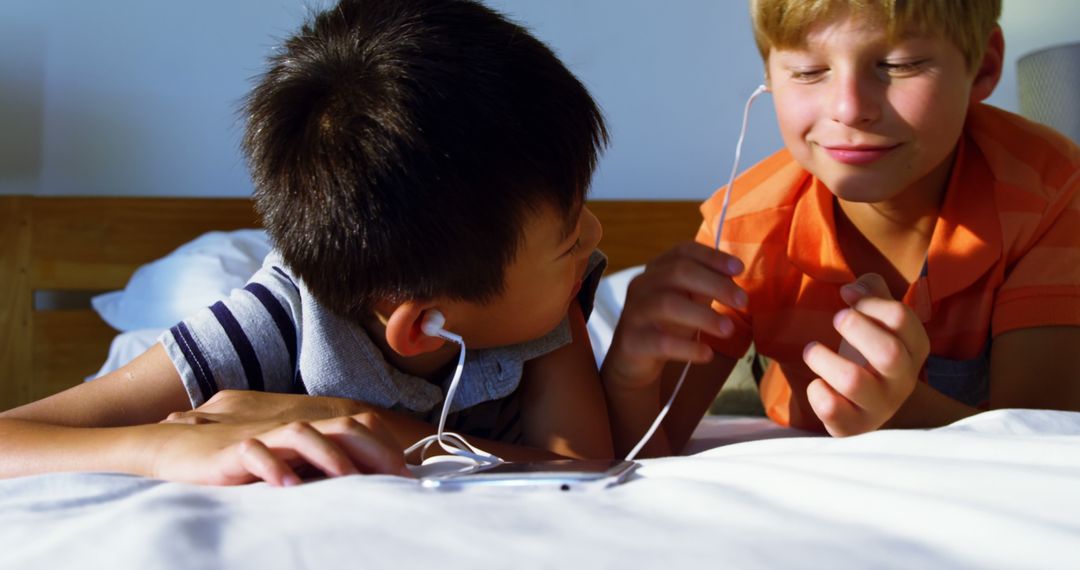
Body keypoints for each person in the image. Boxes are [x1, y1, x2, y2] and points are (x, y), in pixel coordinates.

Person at [0, 0, 613, 485]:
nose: (594, 235)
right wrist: (160, 445)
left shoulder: (546, 305)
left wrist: (383, 430)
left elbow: (584, 467)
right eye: (568, 239)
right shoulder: (273, 324)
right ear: (427, 323)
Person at [603, 0, 1080, 457]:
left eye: (900, 64)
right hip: (772, 383)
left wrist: (901, 411)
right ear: (769, 76)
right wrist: (629, 376)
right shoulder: (747, 226)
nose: (849, 109)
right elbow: (645, 450)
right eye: (809, 71)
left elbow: (1043, 443)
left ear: (983, 67)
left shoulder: (1051, 192)